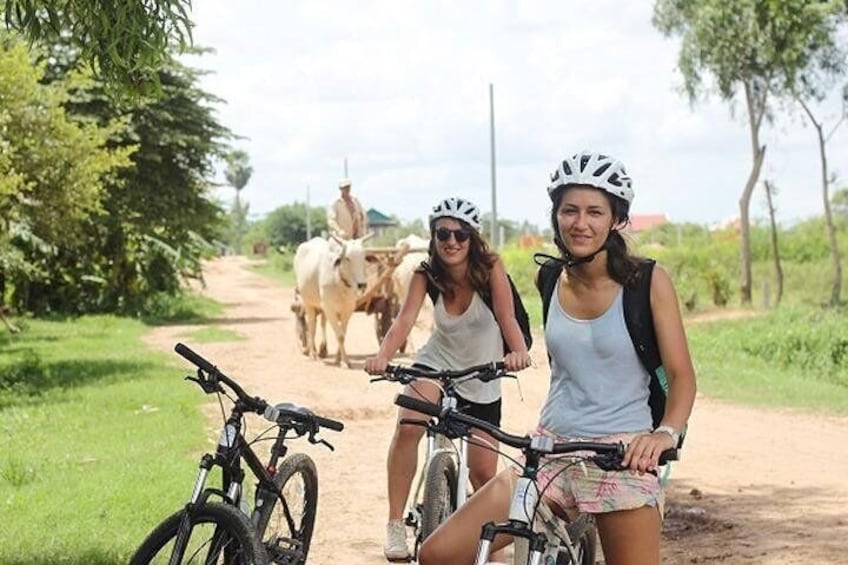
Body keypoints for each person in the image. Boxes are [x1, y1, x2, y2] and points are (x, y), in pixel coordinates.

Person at [417, 152, 697, 565]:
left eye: (594, 212)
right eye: (570, 210)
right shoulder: (549, 277)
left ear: (616, 219)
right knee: (438, 554)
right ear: (556, 215)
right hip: (548, 451)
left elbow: (682, 375)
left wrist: (664, 434)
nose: (580, 223)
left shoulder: (647, 282)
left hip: (620, 458)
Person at [364, 196, 533, 562]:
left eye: (460, 234)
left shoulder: (489, 268)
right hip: (436, 364)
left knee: (484, 471)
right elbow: (404, 321)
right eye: (443, 233)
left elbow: (507, 317)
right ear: (434, 235)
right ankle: (395, 524)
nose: (451, 241)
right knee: (409, 426)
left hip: (483, 371)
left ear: (472, 238)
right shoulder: (426, 274)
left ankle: (488, 539)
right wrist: (382, 357)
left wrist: (517, 352)